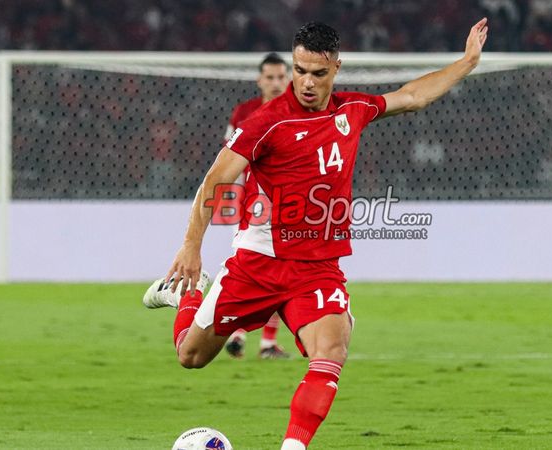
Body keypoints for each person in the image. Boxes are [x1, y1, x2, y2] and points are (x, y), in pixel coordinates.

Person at [145, 19, 488, 450]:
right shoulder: (267, 122)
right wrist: (191, 246)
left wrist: (467, 62)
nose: (307, 82)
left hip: (318, 268)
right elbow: (215, 180)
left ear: (336, 68)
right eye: (300, 70)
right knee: (190, 356)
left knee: (332, 351)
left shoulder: (352, 110)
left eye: (318, 73)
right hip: (259, 262)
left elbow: (413, 96)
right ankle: (190, 293)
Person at [222, 52, 290, 360]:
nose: (276, 83)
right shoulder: (244, 112)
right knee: (255, 273)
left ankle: (260, 341)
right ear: (259, 80)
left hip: (289, 204)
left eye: (281, 77)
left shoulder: (299, 110)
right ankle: (242, 333)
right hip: (252, 205)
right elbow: (228, 157)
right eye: (270, 77)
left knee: (278, 274)